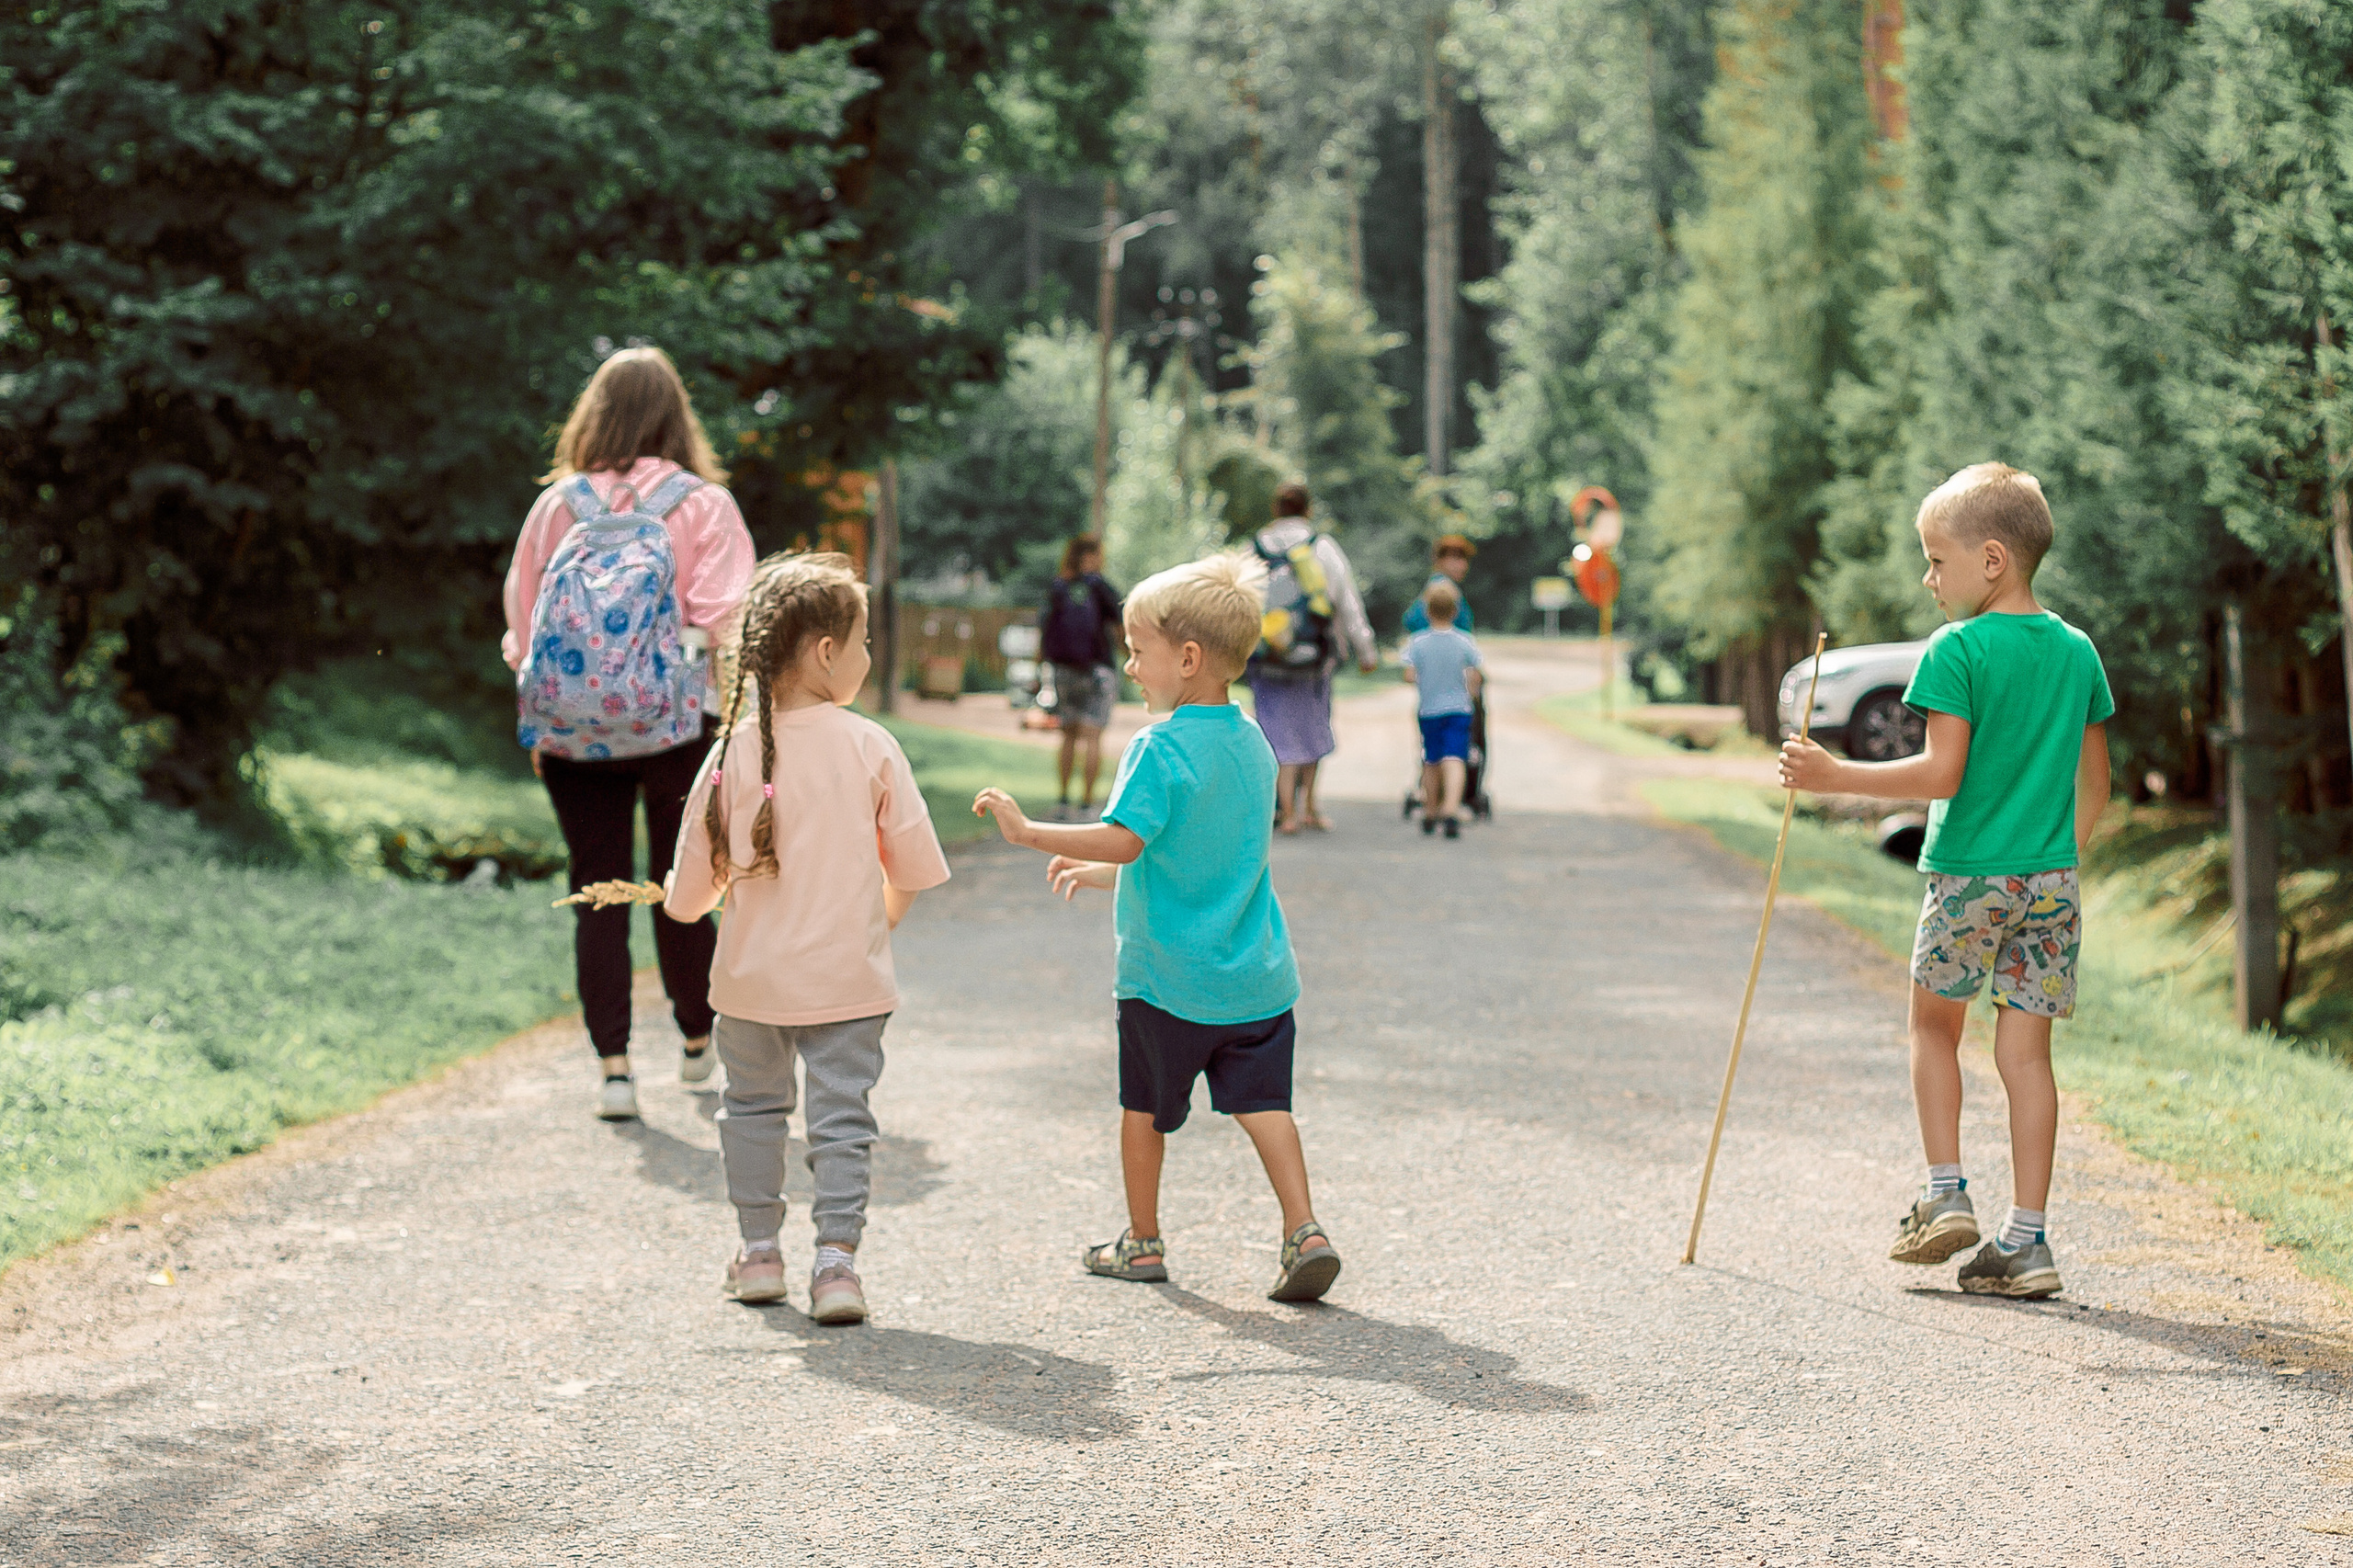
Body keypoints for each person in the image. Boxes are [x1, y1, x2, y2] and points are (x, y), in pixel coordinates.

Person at [971, 551, 1343, 1303]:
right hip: (1254, 978)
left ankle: (1142, 1242)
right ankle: (1304, 1229)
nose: (1131, 665)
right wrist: (1108, 876)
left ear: (1189, 658)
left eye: (1140, 651)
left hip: (1166, 981)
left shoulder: (1159, 747)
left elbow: (1129, 838)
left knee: (1144, 1111)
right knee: (1267, 1108)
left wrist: (1032, 833)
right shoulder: (1254, 744)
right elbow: (1202, 854)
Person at [1779, 462, 2112, 1301]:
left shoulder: (1957, 649)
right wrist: (2053, 852)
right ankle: (2028, 1243)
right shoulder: (2076, 652)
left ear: (1991, 559)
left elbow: (1941, 774)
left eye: (1936, 560)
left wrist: (1832, 774)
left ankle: (1945, 1192)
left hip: (1968, 878)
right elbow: (2096, 779)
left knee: (1933, 1028)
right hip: (2052, 882)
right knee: (2026, 1054)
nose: (1928, 578)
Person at [665, 553, 951, 1324]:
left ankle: (759, 1254)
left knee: (751, 1111)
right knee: (842, 1122)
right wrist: (880, 920)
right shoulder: (870, 746)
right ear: (826, 651)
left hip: (751, 987)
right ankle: (836, 1268)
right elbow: (915, 868)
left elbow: (686, 905)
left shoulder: (727, 754)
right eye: (862, 643)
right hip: (845, 985)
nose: (865, 659)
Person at [503, 347, 755, 1123]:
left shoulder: (557, 506)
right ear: (676, 416)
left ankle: (614, 1070)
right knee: (687, 885)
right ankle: (694, 1041)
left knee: (596, 891)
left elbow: (522, 623)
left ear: (594, 413)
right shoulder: (704, 505)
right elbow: (723, 621)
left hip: (573, 729)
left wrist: (545, 714)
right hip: (677, 724)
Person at [1248, 482, 1377, 834]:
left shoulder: (1253, 549)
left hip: (1266, 660)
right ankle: (1309, 807)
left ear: (1275, 510)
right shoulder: (1322, 547)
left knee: (1277, 736)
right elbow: (1348, 601)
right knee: (1311, 729)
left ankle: (1285, 812)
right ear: (1307, 509)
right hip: (1315, 659)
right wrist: (1365, 649)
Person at [1040, 535, 1124, 818]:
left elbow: (1045, 628)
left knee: (1067, 737)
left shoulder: (1059, 586)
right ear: (1095, 555)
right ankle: (1087, 804)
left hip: (1064, 672)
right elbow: (1120, 624)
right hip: (1097, 671)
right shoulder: (1100, 588)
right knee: (1093, 738)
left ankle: (1063, 800)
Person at [1403, 581, 1483, 840]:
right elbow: (1474, 677)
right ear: (1455, 610)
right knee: (1455, 758)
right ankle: (1451, 808)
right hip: (1459, 709)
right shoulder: (1464, 642)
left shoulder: (1418, 642)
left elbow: (1408, 674)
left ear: (1427, 610)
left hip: (1429, 710)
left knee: (1431, 759)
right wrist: (1471, 693)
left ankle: (1430, 810)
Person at [1401, 534, 1477, 635]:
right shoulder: (1441, 587)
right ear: (1439, 560)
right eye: (1456, 558)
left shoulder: (1442, 584)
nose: (1463, 565)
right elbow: (1412, 620)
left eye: (1465, 559)